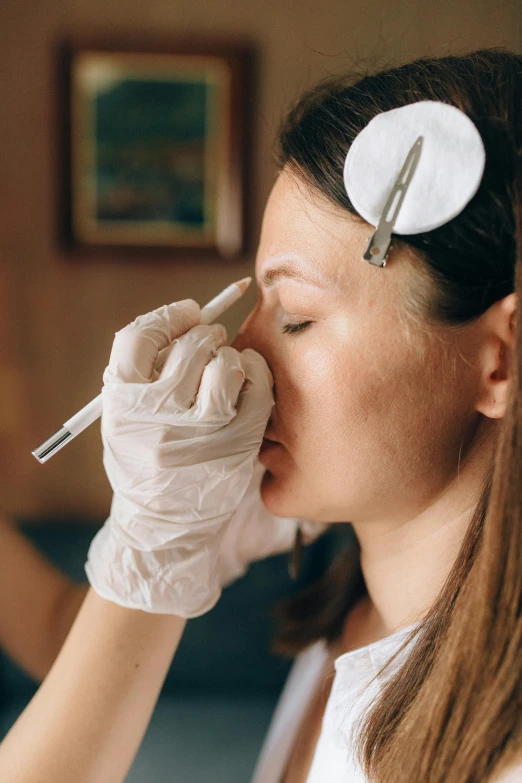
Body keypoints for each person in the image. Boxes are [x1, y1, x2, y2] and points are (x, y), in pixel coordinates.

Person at [0, 46, 521, 783]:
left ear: (501, 357)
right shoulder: (354, 616)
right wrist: (155, 544)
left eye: (298, 317)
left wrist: (159, 546)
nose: (241, 355)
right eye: (256, 309)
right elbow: (71, 642)